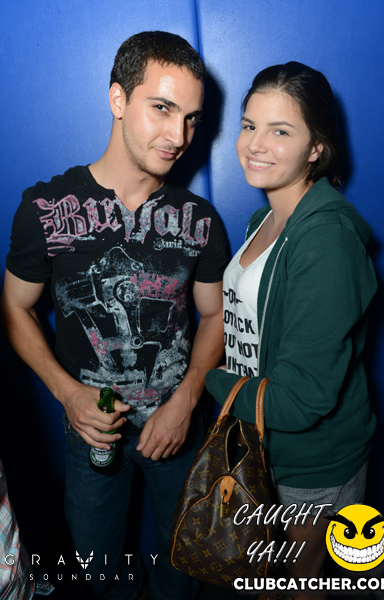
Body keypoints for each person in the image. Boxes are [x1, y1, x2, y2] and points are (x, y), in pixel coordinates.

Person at [1, 31, 227, 600]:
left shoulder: (200, 219)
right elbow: (15, 306)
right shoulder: (46, 209)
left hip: (177, 426)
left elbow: (215, 316)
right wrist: (68, 394)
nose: (178, 136)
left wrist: (186, 400)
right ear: (118, 99)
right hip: (92, 429)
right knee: (99, 578)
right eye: (162, 108)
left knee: (186, 571)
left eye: (192, 118)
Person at [205, 62, 377, 599]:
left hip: (310, 466)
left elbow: (301, 402)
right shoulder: (262, 222)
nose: (255, 144)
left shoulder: (326, 240)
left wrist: (206, 382)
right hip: (259, 448)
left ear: (316, 148)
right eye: (249, 125)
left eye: (280, 130)